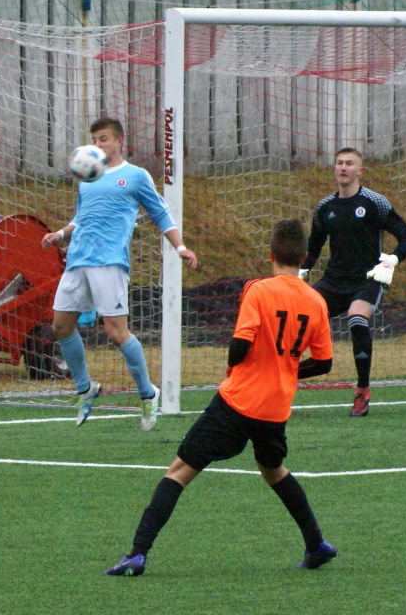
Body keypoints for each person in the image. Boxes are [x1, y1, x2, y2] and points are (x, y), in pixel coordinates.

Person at [106, 219, 336, 576]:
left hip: (239, 400)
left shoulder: (258, 290)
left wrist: (232, 368)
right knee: (274, 471)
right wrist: (288, 369)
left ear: (271, 254)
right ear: (305, 257)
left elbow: (240, 343)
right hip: (275, 407)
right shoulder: (316, 301)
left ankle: (138, 553)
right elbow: (324, 362)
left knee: (179, 471)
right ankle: (316, 544)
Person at [42, 117, 198, 430]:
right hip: (78, 260)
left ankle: (148, 394)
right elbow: (81, 217)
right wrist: (59, 234)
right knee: (61, 326)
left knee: (115, 333)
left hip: (110, 262)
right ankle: (85, 389)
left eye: (103, 139)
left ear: (119, 141)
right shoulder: (88, 176)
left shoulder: (136, 176)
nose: (98, 145)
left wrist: (180, 247)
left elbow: (161, 213)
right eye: (94, 140)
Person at [300, 147, 406, 417]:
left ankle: (362, 390)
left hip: (367, 279)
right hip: (333, 280)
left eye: (349, 163)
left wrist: (391, 261)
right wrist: (300, 272)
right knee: (302, 316)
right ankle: (282, 375)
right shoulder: (325, 207)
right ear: (334, 169)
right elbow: (314, 249)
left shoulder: (375, 202)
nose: (343, 167)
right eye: (340, 163)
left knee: (357, 319)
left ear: (360, 170)